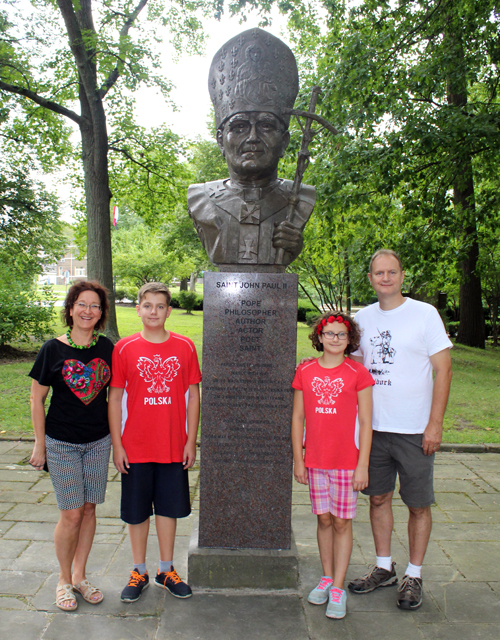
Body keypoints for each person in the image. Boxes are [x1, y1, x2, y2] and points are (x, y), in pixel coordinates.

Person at [347, 249, 453, 611]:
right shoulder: (362, 318)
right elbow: (355, 373)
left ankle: (414, 573)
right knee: (378, 498)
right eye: (379, 273)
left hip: (413, 429)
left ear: (402, 275)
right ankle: (383, 567)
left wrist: (435, 423)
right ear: (371, 278)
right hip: (374, 429)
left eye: (392, 272)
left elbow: (444, 370)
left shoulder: (425, 315)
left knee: (418, 504)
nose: (386, 278)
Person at [187, 27, 316, 269]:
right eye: (239, 126)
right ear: (220, 140)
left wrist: (294, 244)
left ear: (285, 142)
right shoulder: (199, 199)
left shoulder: (301, 199)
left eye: (266, 125)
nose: (253, 137)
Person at [108, 282, 201, 603]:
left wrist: (191, 440)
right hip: (135, 446)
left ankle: (165, 569)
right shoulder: (123, 349)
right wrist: (117, 445)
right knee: (136, 512)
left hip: (173, 445)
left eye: (160, 306)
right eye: (147, 306)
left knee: (168, 509)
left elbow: (193, 396)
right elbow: (116, 397)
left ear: (169, 311)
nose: (153, 312)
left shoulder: (185, 346)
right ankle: (139, 571)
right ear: (138, 309)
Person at [29, 281, 113, 611]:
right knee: (71, 514)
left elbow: (117, 395)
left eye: (95, 305)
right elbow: (37, 400)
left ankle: (80, 575)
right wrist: (40, 444)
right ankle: (63, 580)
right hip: (61, 442)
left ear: (102, 313)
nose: (88, 310)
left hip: (98, 441)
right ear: (70, 308)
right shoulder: (52, 349)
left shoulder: (107, 348)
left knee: (90, 509)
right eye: (82, 304)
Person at [292, 311, 374, 620]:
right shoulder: (306, 371)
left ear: (350, 339)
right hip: (315, 460)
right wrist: (299, 460)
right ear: (319, 337)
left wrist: (362, 464)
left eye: (342, 334)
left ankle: (338, 586)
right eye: (330, 334)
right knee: (324, 519)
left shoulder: (357, 373)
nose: (335, 339)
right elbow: (298, 418)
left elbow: (366, 422)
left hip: (346, 462)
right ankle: (326, 576)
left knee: (342, 522)